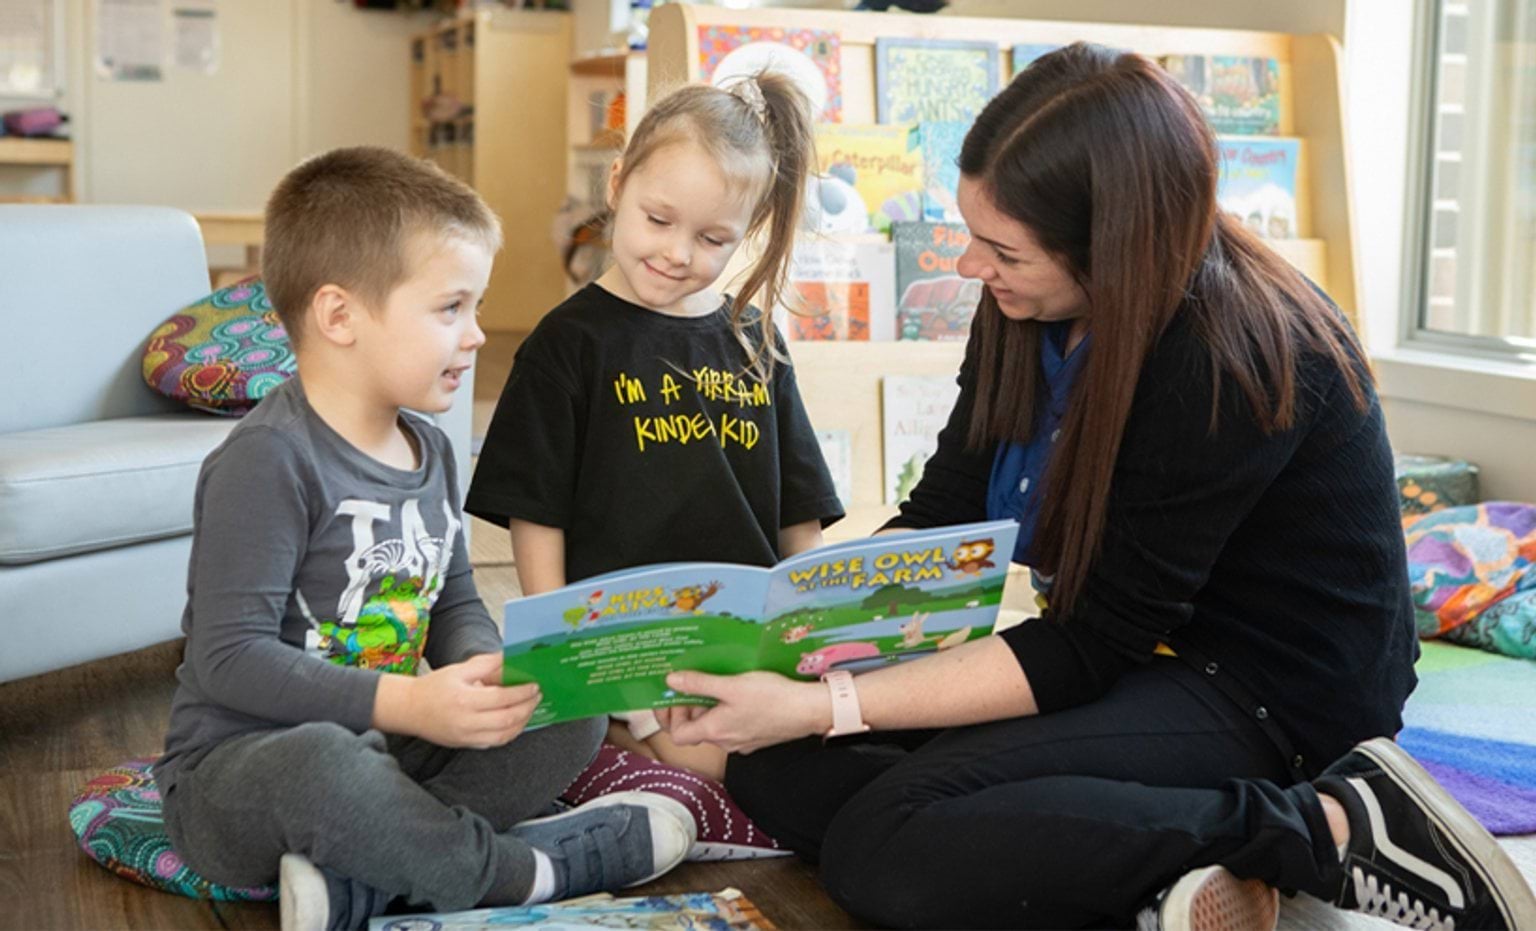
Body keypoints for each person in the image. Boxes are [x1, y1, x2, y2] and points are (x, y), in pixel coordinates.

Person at [652, 44, 1536, 930]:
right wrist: (782, 643)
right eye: (971, 233)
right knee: (781, 762)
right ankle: (1163, 866)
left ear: (1112, 251)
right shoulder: (1023, 308)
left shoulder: (1228, 353)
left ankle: (1332, 826)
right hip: (1130, 658)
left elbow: (1087, 645)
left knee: (881, 843)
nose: (967, 267)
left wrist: (823, 697)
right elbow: (946, 513)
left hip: (1265, 695)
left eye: (1002, 249)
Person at [152, 147, 695, 931]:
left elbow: (455, 600)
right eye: (451, 309)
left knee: (571, 703)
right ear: (339, 317)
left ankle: (379, 871)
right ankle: (526, 870)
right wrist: (407, 700)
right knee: (327, 768)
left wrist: (483, 669)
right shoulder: (269, 460)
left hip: (387, 746)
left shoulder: (433, 448)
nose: (476, 335)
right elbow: (228, 658)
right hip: (245, 775)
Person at [465, 73, 844, 782]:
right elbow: (534, 513)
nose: (677, 254)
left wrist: (808, 639)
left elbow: (800, 514)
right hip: (627, 639)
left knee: (836, 735)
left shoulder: (755, 338)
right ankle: (612, 738)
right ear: (617, 185)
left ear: (746, 232)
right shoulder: (568, 341)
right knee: (719, 765)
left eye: (712, 238)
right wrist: (563, 657)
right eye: (658, 220)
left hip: (744, 636)